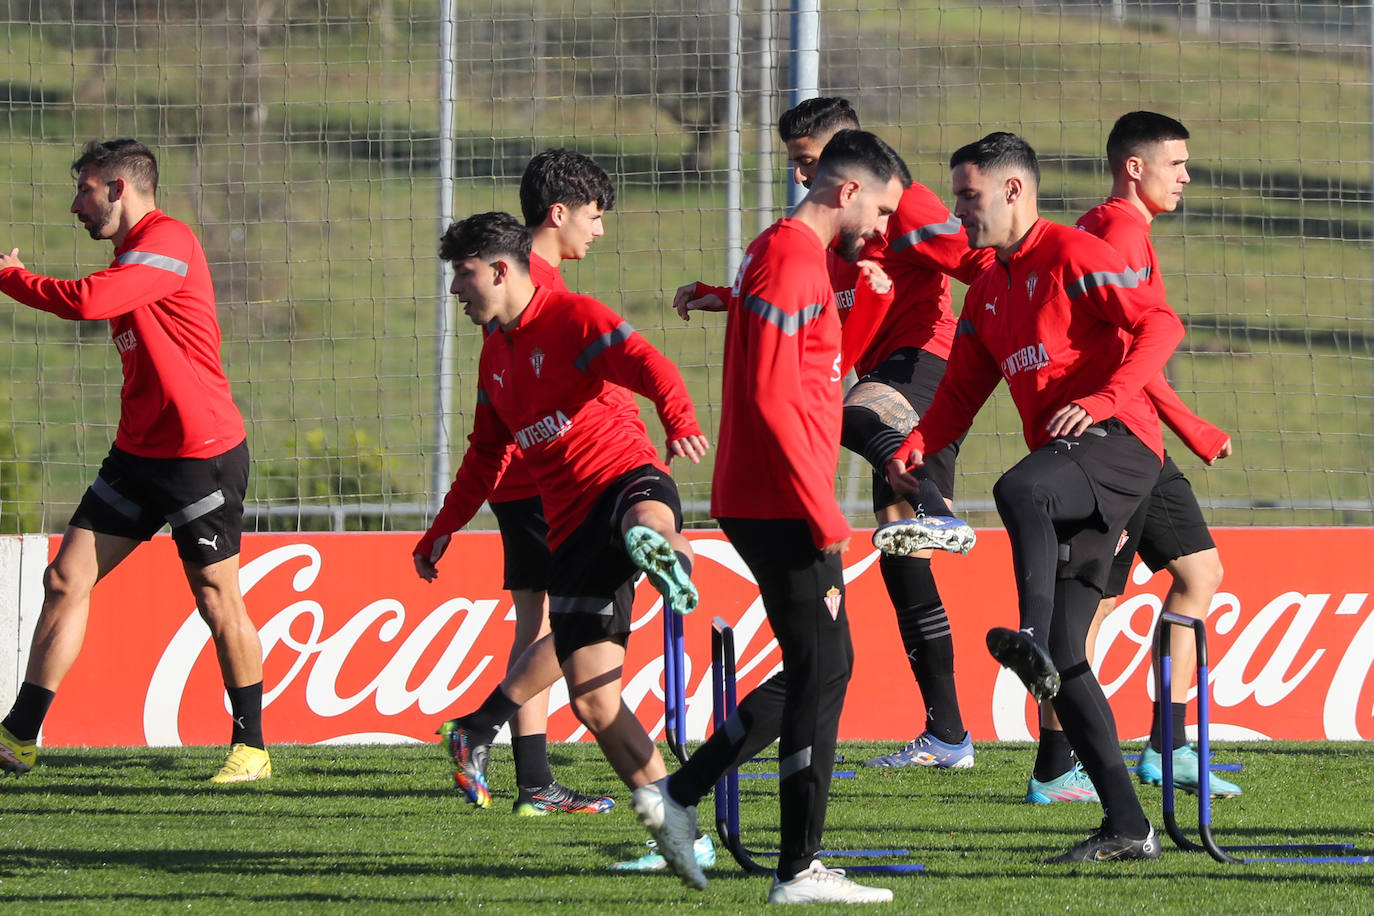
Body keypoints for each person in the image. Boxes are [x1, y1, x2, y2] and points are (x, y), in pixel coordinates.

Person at [886, 132, 1184, 862]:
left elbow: (1161, 323)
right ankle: (1127, 825)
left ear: (1013, 191)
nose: (959, 214)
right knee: (1066, 651)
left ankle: (1028, 640)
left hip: (1121, 447)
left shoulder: (1074, 254)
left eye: (968, 196)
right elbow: (960, 391)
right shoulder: (988, 291)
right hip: (1072, 463)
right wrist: (915, 442)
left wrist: (1110, 395)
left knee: (1020, 487)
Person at [677, 97, 987, 771]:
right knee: (905, 567)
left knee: (850, 411)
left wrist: (1027, 305)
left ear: (851, 162)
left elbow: (977, 260)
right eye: (794, 163)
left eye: (809, 161)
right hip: (882, 374)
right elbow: (800, 300)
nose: (800, 177)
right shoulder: (828, 237)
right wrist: (723, 297)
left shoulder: (903, 205)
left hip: (921, 365)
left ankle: (935, 503)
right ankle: (949, 736)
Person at [412, 212, 711, 889]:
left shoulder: (573, 316)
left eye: (462, 276)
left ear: (498, 269)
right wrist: (441, 529)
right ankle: (676, 826)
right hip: (571, 530)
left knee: (644, 511)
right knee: (593, 702)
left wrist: (681, 419)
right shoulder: (495, 357)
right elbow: (485, 457)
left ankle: (663, 552)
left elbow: (648, 362)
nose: (456, 291)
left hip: (623, 475)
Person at [662, 129, 907, 905]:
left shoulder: (793, 258)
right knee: (824, 669)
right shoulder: (791, 258)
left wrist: (866, 306)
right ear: (846, 191)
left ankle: (681, 795)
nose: (883, 226)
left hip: (775, 495)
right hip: (778, 500)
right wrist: (819, 507)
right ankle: (797, 868)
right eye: (881, 207)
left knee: (822, 667)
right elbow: (773, 397)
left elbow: (818, 373)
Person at [0, 139, 269, 783]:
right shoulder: (132, 254)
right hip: (138, 451)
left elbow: (90, 301)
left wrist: (10, 277)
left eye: (85, 190)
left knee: (215, 596)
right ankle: (19, 737)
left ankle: (252, 748)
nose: (75, 205)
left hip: (198, 453)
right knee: (64, 579)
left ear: (120, 188)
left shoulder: (167, 238)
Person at [1028, 112, 1240, 803]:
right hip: (1117, 445)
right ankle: (1057, 766)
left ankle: (1167, 746)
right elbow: (1135, 354)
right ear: (1134, 167)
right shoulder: (1118, 233)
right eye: (1175, 163)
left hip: (1136, 439)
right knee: (1081, 610)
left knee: (1198, 572)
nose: (1186, 175)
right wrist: (1193, 427)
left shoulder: (1109, 227)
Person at [439, 148, 618, 817]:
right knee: (585, 614)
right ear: (561, 212)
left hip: (519, 478)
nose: (597, 232)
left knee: (538, 622)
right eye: (594, 217)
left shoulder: (524, 275)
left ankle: (534, 781)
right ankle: (483, 730)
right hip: (546, 477)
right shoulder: (538, 285)